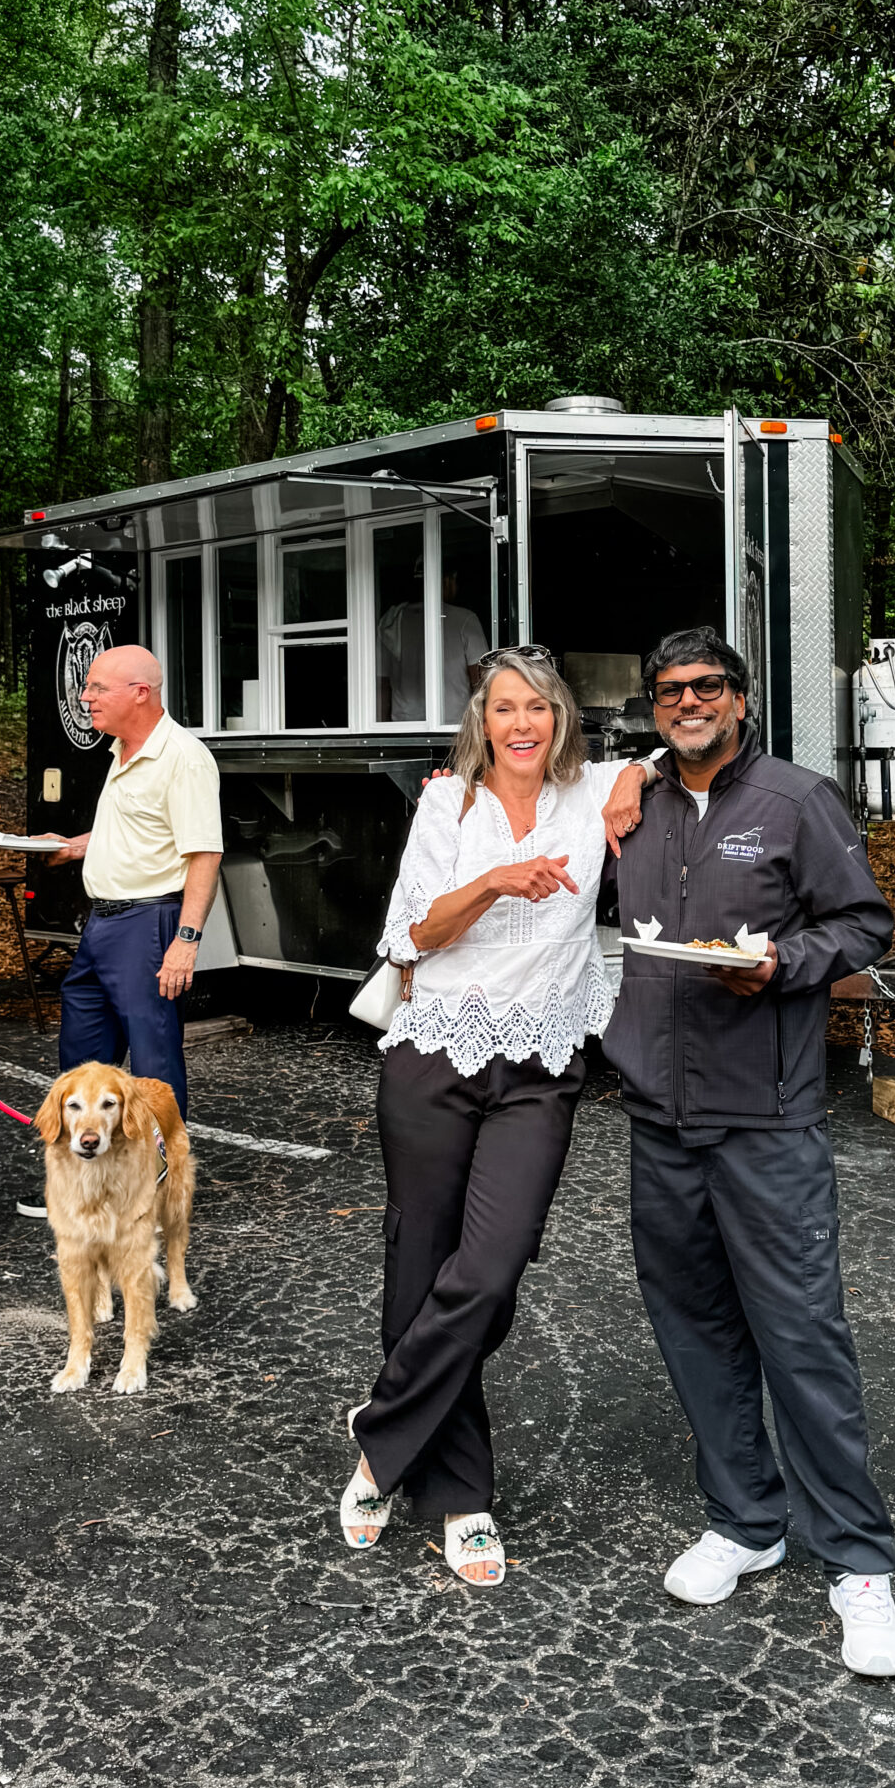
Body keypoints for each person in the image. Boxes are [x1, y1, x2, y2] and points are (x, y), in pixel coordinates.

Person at [601, 626, 895, 1677]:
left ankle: (858, 1562)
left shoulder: (796, 800)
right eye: (670, 690)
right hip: (661, 1116)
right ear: (655, 709)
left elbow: (863, 924)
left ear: (740, 698)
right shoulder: (637, 804)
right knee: (694, 1329)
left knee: (801, 1335)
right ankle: (745, 1520)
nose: (688, 702)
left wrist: (784, 962)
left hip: (766, 1118)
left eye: (707, 687)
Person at [341, 648, 651, 1584]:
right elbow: (410, 937)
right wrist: (492, 883)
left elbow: (671, 753)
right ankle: (460, 1495)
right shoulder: (449, 804)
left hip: (539, 1071)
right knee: (421, 1265)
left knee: (490, 1270)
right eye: (504, 708)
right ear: (482, 721)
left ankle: (383, 1425)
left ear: (562, 718)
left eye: (539, 708)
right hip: (434, 1056)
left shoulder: (591, 792)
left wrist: (635, 775)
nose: (522, 724)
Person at [24, 645, 224, 1217]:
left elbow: (204, 854)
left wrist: (185, 942)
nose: (85, 697)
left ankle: (158, 1189)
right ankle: (84, 1183)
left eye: (96, 688)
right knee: (83, 1057)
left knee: (154, 1066)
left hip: (148, 923)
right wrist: (73, 846)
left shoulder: (182, 758)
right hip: (102, 924)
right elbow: (137, 833)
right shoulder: (121, 750)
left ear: (140, 693)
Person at [376, 560, 490, 723]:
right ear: (448, 580)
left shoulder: (390, 622)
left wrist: (382, 729)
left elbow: (381, 686)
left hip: (403, 726)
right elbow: (481, 681)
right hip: (453, 725)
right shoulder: (464, 619)